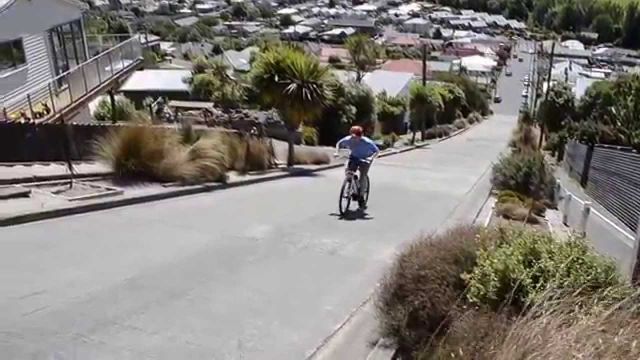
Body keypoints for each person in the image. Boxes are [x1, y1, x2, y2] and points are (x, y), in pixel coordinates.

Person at [335, 125, 380, 208]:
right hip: (354, 157)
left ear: (360, 136)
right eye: (352, 136)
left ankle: (361, 196)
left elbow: (377, 151)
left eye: (356, 137)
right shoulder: (348, 139)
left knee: (362, 176)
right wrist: (337, 152)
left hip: (365, 159)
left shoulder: (367, 142)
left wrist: (371, 157)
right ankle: (350, 185)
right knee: (348, 171)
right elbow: (339, 143)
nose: (354, 139)